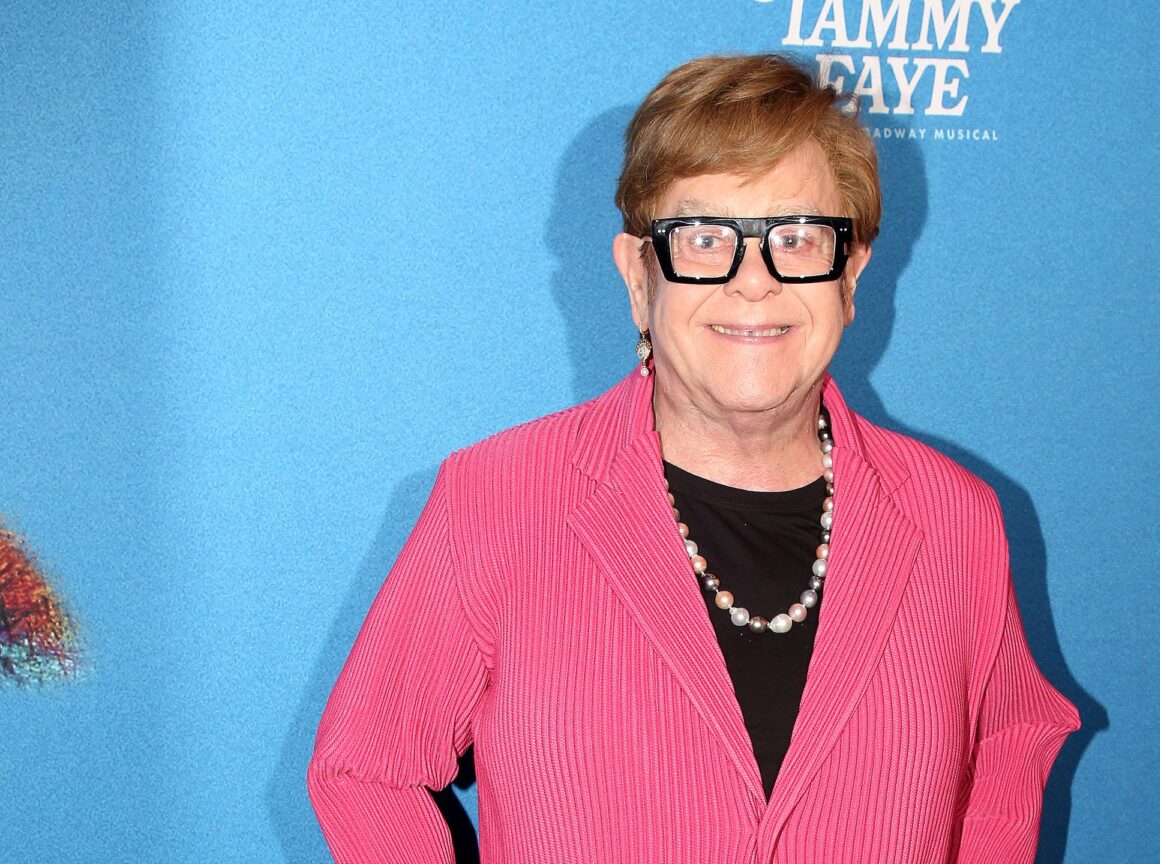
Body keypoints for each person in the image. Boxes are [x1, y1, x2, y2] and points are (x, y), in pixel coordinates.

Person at [308, 53, 1079, 863]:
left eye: (797, 237)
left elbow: (1011, 741)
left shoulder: (954, 520)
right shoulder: (497, 502)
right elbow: (366, 769)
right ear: (639, 277)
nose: (754, 281)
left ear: (850, 275)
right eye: (705, 238)